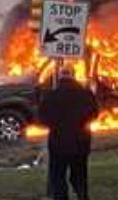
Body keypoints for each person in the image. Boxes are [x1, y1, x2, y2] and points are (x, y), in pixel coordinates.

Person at [39, 66, 99, 200]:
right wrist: (81, 122)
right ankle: (82, 195)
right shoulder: (86, 94)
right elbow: (94, 114)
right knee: (79, 174)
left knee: (58, 176)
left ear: (60, 77)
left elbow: (42, 118)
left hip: (58, 143)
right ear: (74, 76)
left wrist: (55, 125)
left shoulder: (51, 96)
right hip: (80, 141)